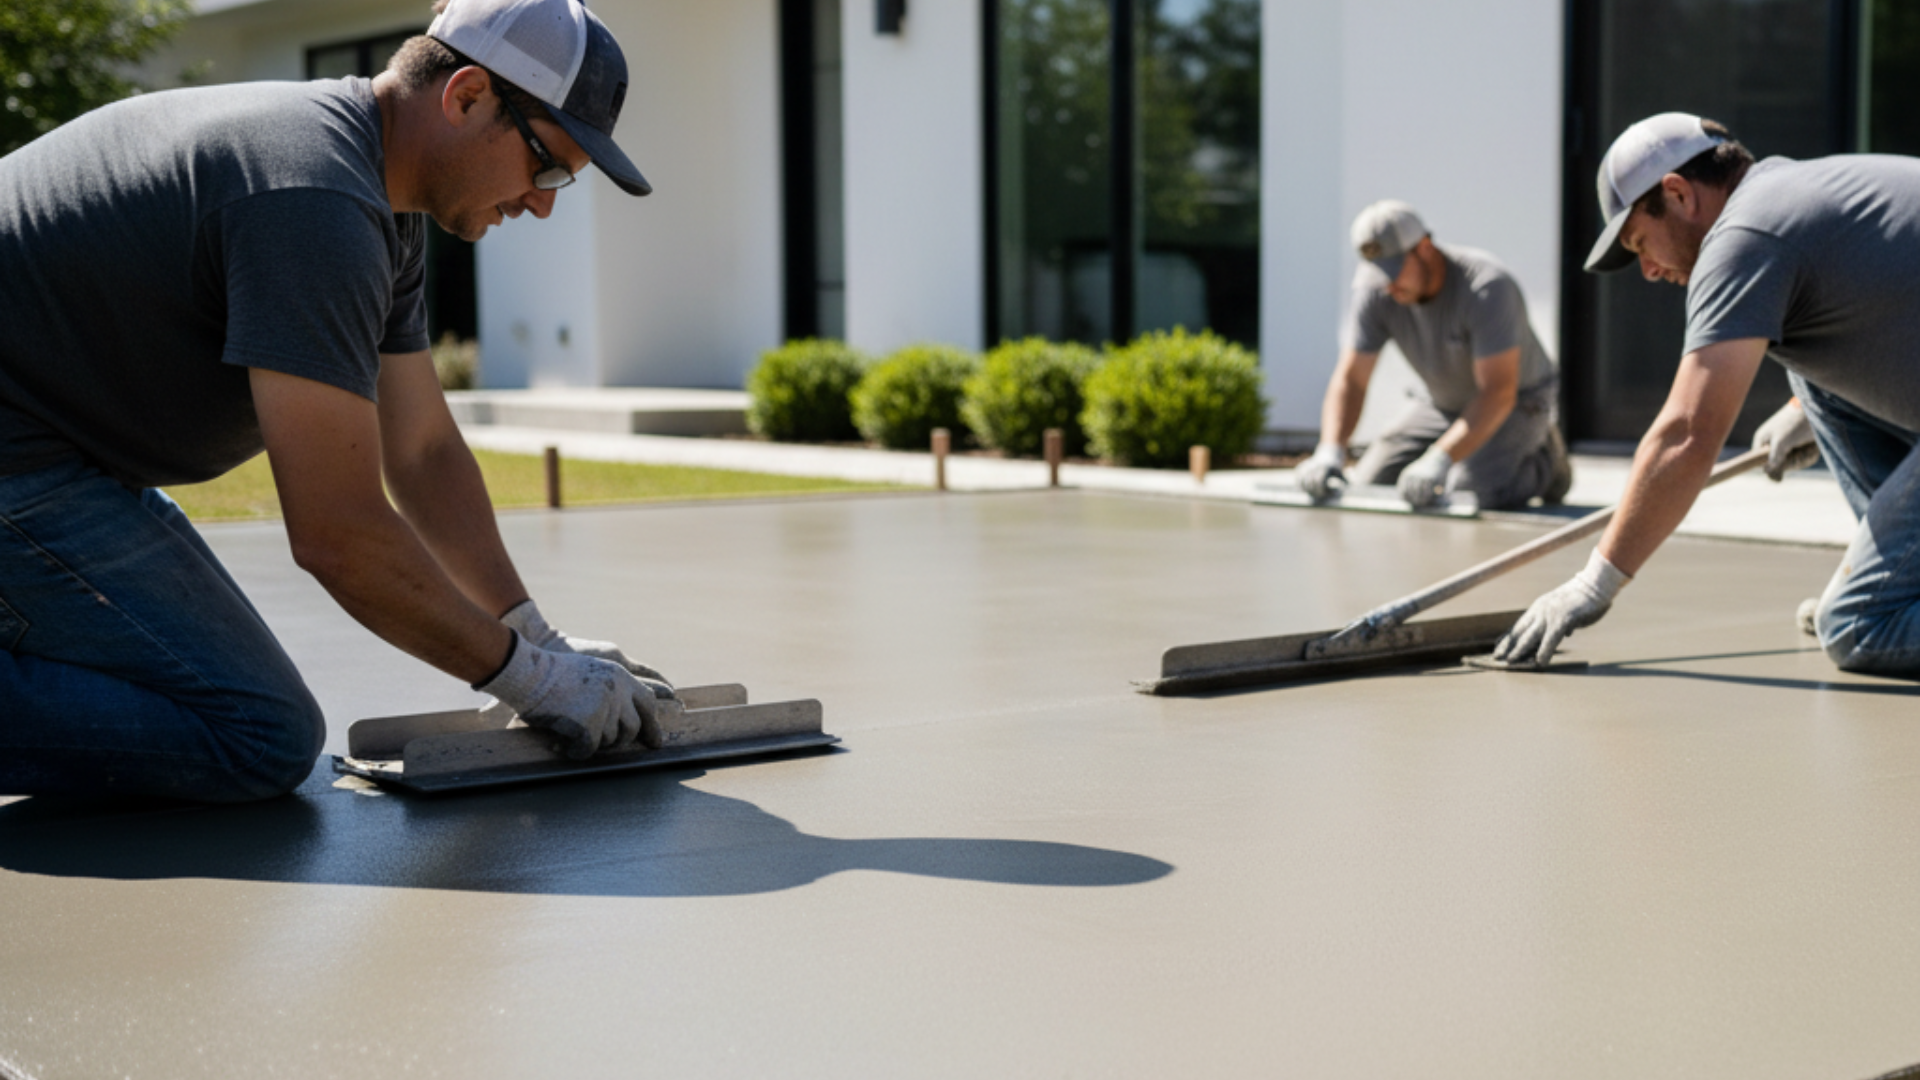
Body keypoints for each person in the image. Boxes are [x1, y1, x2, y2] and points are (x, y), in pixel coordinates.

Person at [0, 0, 671, 802]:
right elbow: (337, 534)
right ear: (464, 97)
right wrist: (530, 679)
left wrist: (533, 634)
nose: (544, 202)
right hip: (20, 459)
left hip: (51, 453)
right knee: (257, 733)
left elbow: (420, 448)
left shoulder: (377, 201)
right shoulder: (314, 200)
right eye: (549, 166)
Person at [1495, 112, 1920, 677]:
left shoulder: (1745, 236)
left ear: (1677, 193)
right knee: (1809, 376)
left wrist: (1593, 583)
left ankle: (1887, 600)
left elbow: (1687, 433)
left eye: (1641, 242)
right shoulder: (1788, 194)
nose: (1647, 270)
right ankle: (1899, 581)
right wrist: (1806, 411)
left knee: (1857, 627)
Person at [1293, 200, 1571, 511]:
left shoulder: (1486, 287)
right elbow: (1351, 379)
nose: (1387, 285)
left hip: (1517, 402)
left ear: (1425, 247)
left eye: (1394, 270)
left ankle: (1546, 463)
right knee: (1371, 484)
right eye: (1378, 273)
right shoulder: (1376, 291)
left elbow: (1498, 392)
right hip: (1441, 403)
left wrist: (1439, 458)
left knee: (1469, 491)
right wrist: (1330, 450)